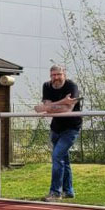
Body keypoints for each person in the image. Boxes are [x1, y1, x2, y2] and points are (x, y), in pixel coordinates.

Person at [34, 65, 81, 202]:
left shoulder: (71, 86)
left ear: (64, 74)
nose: (56, 78)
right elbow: (50, 108)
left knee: (57, 156)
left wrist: (46, 108)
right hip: (55, 128)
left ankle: (55, 192)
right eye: (53, 75)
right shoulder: (47, 86)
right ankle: (69, 191)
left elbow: (68, 110)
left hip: (72, 127)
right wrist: (61, 103)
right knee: (63, 160)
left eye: (58, 74)